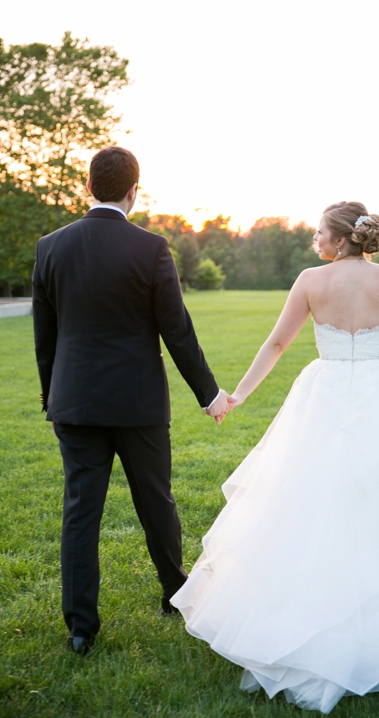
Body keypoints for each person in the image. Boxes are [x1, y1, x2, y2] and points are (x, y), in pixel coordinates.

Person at [170, 201, 379, 714]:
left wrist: (240, 395)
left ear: (339, 241)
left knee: (308, 501)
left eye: (318, 233)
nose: (314, 240)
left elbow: (277, 343)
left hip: (327, 390)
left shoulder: (312, 281)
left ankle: (310, 626)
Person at [32, 146, 231, 656]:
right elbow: (177, 331)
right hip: (138, 403)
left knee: (81, 511)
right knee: (156, 501)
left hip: (73, 403)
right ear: (133, 191)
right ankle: (174, 593)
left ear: (89, 187)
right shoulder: (151, 248)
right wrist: (209, 395)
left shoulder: (49, 247)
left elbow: (44, 335)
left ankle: (80, 627)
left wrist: (50, 398)